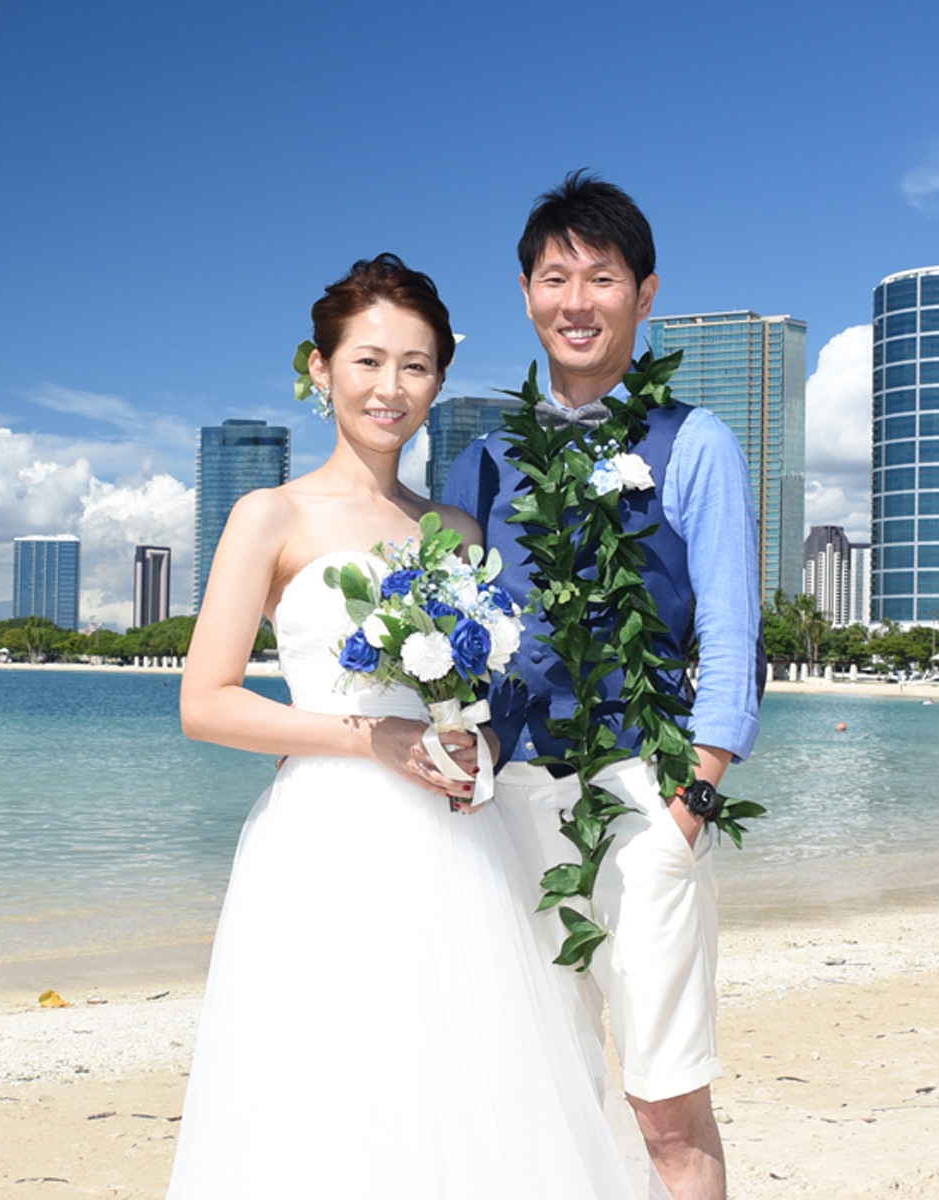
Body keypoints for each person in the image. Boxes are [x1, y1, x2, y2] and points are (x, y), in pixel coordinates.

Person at [170, 256, 636, 1197]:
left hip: (459, 842)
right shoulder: (271, 515)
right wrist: (365, 739)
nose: (391, 389)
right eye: (369, 362)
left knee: (470, 1093)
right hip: (324, 840)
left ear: (440, 378)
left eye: (417, 366)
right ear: (320, 368)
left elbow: (477, 691)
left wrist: (474, 744)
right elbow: (205, 702)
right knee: (328, 1096)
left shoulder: (461, 534)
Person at [445, 173, 762, 1200]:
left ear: (645, 292)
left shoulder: (695, 442)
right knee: (551, 1090)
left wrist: (692, 803)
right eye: (553, 277)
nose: (575, 301)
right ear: (527, 295)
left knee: (666, 1111)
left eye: (602, 277)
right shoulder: (484, 462)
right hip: (511, 806)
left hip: (645, 795)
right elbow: (444, 640)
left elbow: (731, 634)